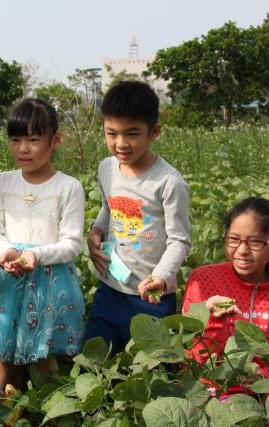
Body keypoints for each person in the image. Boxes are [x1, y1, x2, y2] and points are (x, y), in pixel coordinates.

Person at [0, 98, 86, 391]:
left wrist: (35, 254)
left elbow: (72, 243)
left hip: (50, 280)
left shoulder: (68, 186)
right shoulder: (2, 182)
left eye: (34, 139)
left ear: (55, 140)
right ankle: (8, 421)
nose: (23, 148)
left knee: (45, 360)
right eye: (16, 139)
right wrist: (5, 251)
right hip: (7, 277)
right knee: (3, 356)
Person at [84, 81, 191, 355]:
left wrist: (161, 277)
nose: (121, 143)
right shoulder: (107, 169)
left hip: (151, 296)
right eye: (112, 133)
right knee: (97, 358)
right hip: (110, 287)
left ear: (154, 131)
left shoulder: (168, 181)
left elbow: (180, 241)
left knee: (151, 370)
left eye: (132, 134)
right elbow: (109, 208)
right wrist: (96, 231)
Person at [182, 197, 269, 392]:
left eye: (255, 242)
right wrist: (214, 321)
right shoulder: (202, 281)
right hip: (212, 393)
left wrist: (264, 377)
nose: (242, 250)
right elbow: (194, 361)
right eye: (234, 239)